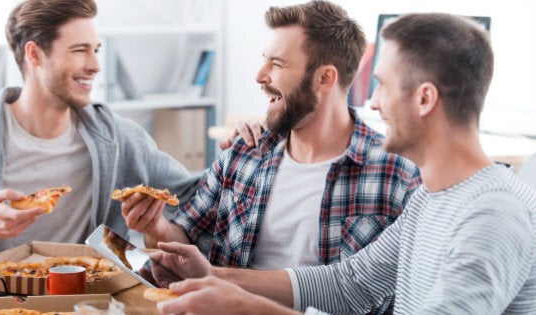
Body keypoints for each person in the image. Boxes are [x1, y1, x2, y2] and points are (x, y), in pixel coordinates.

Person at [148, 12, 536, 315]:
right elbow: (350, 282)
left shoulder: (493, 214)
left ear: (424, 99)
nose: (374, 103)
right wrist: (214, 277)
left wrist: (247, 307)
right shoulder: (431, 199)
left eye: (382, 84)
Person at [124, 1, 420, 313]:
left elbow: (378, 290)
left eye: (277, 64)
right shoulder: (243, 153)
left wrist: (214, 276)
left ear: (324, 78)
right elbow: (187, 237)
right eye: (264, 61)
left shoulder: (397, 175)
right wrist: (156, 228)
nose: (259, 75)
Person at [0, 0, 252, 263]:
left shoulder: (119, 138)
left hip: (87, 302)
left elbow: (200, 197)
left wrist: (238, 152)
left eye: (96, 49)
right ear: (35, 54)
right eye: (80, 50)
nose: (96, 65)